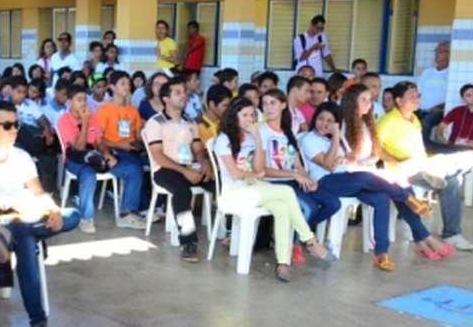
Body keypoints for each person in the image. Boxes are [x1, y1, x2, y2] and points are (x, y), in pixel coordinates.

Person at [0, 100, 79, 327]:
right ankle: (38, 323)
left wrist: (52, 211)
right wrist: (18, 203)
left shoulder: (22, 156)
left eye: (16, 124)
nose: (15, 129)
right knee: (26, 241)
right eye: (7, 125)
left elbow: (38, 192)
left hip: (23, 217)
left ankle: (29, 230)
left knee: (72, 214)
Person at [301, 98, 445, 271]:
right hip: (326, 182)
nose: (324, 123)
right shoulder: (309, 139)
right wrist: (337, 136)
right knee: (365, 178)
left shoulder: (337, 139)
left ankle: (381, 253)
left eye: (330, 121)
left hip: (347, 178)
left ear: (337, 122)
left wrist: (343, 155)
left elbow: (351, 158)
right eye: (321, 119)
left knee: (381, 199)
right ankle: (407, 198)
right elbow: (328, 164)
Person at [212, 96, 336, 282]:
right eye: (244, 115)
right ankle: (310, 241)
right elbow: (236, 174)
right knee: (287, 192)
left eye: (252, 115)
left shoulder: (252, 137)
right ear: (233, 116)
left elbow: (259, 169)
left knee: (282, 208)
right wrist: (255, 176)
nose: (249, 119)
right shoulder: (224, 139)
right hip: (235, 192)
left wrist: (258, 140)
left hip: (254, 187)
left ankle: (283, 262)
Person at [376, 81, 473, 251]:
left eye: (418, 95)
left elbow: (419, 147)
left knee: (463, 159)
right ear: (399, 101)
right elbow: (375, 148)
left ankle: (441, 172)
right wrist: (397, 161)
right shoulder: (387, 121)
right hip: (402, 169)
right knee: (450, 183)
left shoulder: (414, 119)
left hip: (420, 163)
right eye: (411, 96)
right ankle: (452, 234)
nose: (417, 99)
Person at [258, 89, 340, 263]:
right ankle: (301, 242)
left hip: (293, 180)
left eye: (273, 103)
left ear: (283, 105)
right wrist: (295, 175)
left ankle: (296, 235)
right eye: (265, 103)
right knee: (309, 207)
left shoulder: (287, 131)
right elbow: (262, 169)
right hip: (274, 183)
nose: (268, 107)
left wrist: (307, 178)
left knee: (333, 203)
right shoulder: (261, 132)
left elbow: (296, 163)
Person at [143, 77, 216, 262]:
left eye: (184, 92)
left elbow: (198, 150)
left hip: (190, 166)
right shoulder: (155, 122)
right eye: (178, 93)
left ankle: (229, 230)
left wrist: (204, 163)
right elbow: (157, 155)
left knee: (219, 182)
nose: (184, 96)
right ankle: (188, 242)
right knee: (182, 192)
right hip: (165, 169)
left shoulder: (190, 122)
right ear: (166, 99)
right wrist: (184, 172)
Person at [92, 71, 149, 229]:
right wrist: (119, 146)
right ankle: (127, 213)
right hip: (112, 151)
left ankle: (149, 209)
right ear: (112, 87)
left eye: (128, 83)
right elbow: (99, 139)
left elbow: (137, 136)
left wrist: (143, 144)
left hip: (131, 149)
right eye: (122, 83)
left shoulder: (132, 111)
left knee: (156, 164)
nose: (127, 86)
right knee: (133, 170)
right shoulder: (105, 110)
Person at [57, 85, 113, 234]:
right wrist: (85, 121)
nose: (83, 103)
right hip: (74, 159)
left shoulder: (91, 116)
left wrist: (107, 154)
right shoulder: (64, 121)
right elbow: (79, 147)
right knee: (88, 174)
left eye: (85, 100)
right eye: (79, 100)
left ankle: (127, 211)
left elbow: (99, 141)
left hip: (92, 154)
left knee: (122, 165)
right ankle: (86, 218)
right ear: (69, 102)